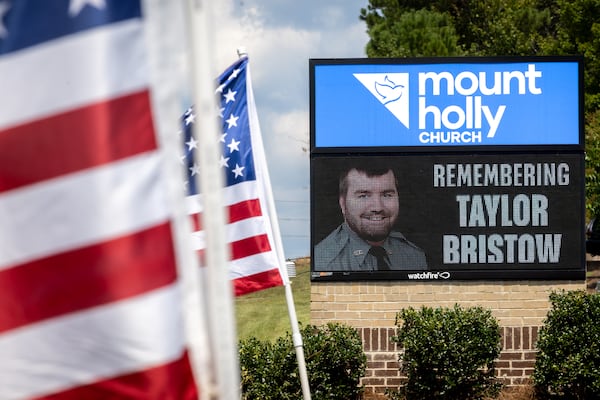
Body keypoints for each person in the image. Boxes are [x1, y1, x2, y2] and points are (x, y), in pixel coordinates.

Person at [314, 161, 427, 271]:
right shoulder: (323, 263)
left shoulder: (414, 256)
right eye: (364, 196)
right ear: (343, 204)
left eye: (387, 195)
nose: (377, 207)